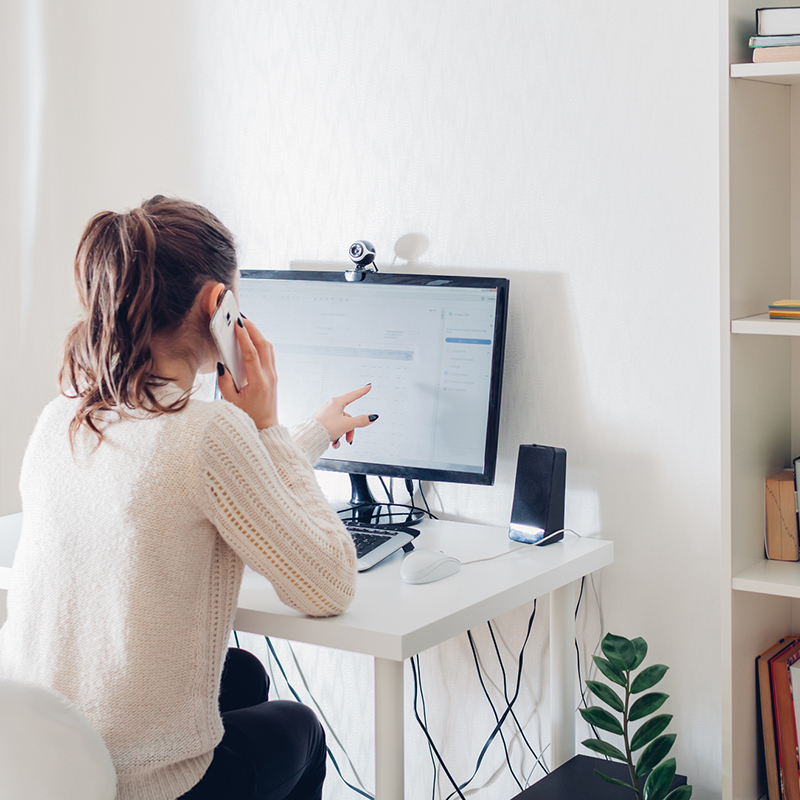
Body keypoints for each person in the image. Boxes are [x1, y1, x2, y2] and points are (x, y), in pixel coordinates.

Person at [0, 196, 375, 800]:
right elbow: (329, 586)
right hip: (142, 783)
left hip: (43, 765)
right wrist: (268, 427)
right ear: (218, 305)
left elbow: (210, 483)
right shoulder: (209, 432)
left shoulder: (64, 415)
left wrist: (313, 431)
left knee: (245, 675)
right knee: (301, 729)